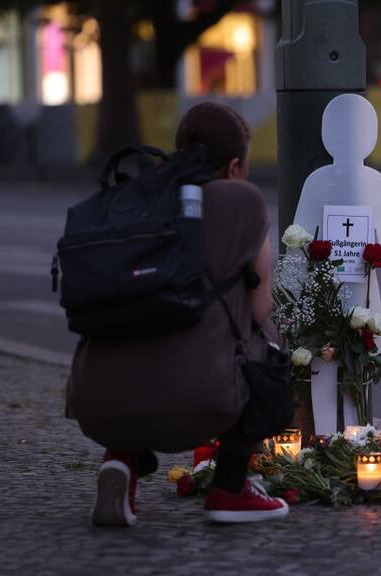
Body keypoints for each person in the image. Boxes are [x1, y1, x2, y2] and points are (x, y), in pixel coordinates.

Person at [67, 102, 289, 526]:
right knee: (264, 342)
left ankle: (121, 462)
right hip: (199, 405)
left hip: (98, 406)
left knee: (140, 318)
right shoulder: (240, 199)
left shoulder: (130, 197)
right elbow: (262, 311)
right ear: (236, 165)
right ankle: (230, 488)